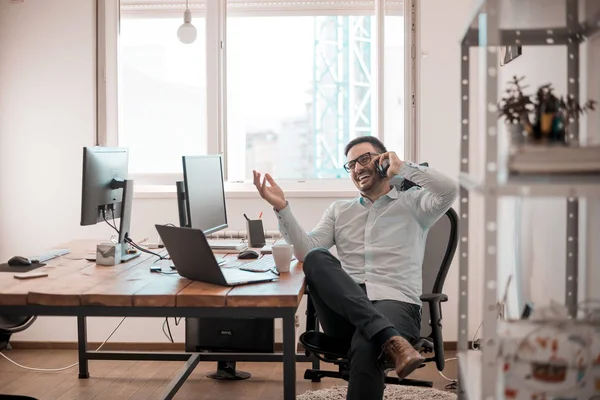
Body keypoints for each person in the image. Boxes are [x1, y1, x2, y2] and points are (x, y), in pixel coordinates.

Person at [252, 136, 457, 400]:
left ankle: (385, 336)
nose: (358, 168)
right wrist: (281, 207)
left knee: (366, 344)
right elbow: (305, 251)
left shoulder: (415, 204)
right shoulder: (339, 210)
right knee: (316, 258)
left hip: (396, 302)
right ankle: (391, 339)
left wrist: (403, 167)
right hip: (345, 311)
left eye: (365, 159)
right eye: (351, 164)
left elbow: (449, 190)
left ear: (384, 161)